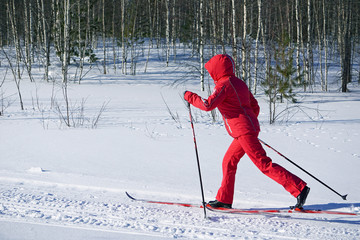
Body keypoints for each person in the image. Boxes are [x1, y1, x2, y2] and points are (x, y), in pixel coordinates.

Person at [184, 54, 310, 209]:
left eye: (211, 72)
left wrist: (189, 96)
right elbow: (254, 105)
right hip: (245, 130)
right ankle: (224, 200)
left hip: (243, 131)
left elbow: (208, 105)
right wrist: (249, 125)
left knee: (264, 164)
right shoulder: (239, 83)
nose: (211, 75)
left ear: (217, 70)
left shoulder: (223, 85)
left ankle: (299, 188)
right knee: (229, 162)